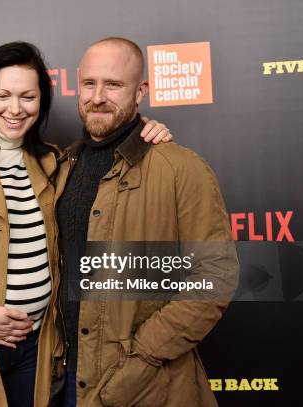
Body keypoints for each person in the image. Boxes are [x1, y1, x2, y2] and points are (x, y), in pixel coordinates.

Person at [0, 41, 172, 407]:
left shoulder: (50, 161)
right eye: (2, 95)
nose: (15, 109)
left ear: (42, 101)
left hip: (35, 352)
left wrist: (143, 128)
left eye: (28, 96)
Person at [54, 37, 239, 407]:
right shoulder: (58, 168)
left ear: (140, 93)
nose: (98, 96)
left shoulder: (182, 168)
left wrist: (142, 357)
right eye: (89, 84)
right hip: (63, 382)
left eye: (113, 84)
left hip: (143, 386)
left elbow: (215, 276)